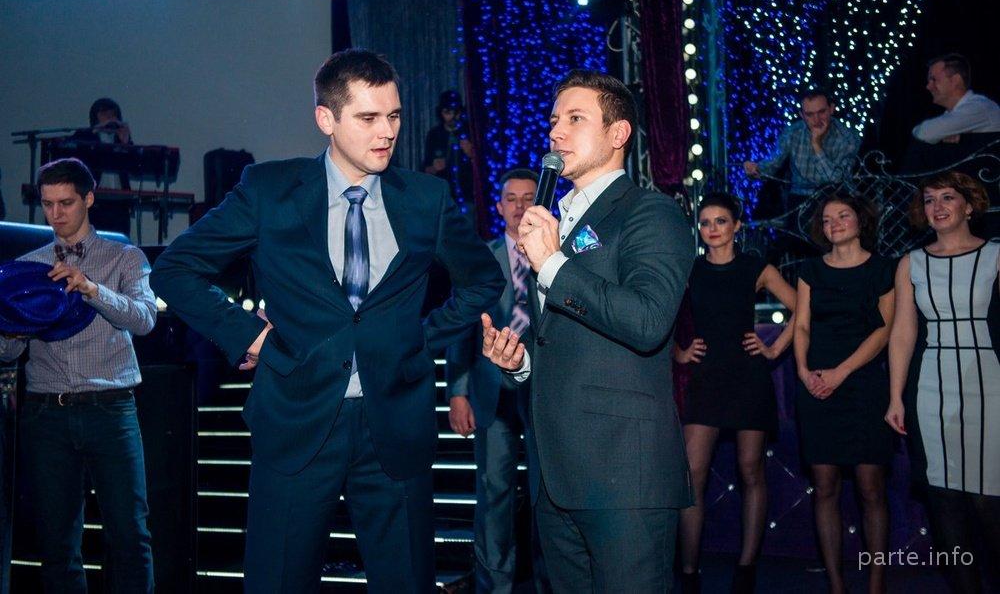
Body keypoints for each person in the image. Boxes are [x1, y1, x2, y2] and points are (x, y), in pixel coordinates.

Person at [149, 49, 505, 594]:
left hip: (395, 425)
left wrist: (421, 337)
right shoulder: (269, 190)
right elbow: (174, 270)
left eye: (394, 115)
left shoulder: (426, 199)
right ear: (326, 119)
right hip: (296, 418)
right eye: (368, 117)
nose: (387, 131)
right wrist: (250, 335)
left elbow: (483, 281)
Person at [480, 70, 693, 592]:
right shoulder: (557, 221)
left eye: (575, 119)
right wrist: (521, 361)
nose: (556, 131)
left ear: (618, 134)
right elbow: (565, 336)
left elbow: (647, 322)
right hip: (556, 475)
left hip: (625, 476)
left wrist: (552, 264)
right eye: (555, 119)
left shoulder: (651, 213)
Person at [0, 157, 157, 592]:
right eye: (48, 204)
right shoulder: (28, 266)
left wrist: (91, 288)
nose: (56, 214)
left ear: (88, 199)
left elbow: (144, 319)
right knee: (56, 544)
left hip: (111, 410)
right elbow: (10, 353)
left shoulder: (124, 257)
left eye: (66, 203)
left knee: (129, 536)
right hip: (47, 413)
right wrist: (11, 331)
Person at [675, 192, 797, 594]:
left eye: (721, 221)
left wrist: (774, 348)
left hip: (748, 377)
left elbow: (802, 307)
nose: (712, 229)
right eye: (705, 223)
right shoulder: (690, 269)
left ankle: (746, 569)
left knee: (751, 471)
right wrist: (678, 352)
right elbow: (660, 313)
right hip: (706, 377)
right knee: (692, 474)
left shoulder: (756, 268)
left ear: (737, 226)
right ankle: (689, 573)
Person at [886, 171, 999, 593]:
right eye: (930, 199)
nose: (937, 206)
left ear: (969, 206)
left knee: (988, 500)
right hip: (931, 388)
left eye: (948, 197)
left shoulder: (996, 255)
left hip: (990, 384)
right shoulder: (910, 263)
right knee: (944, 499)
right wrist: (895, 397)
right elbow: (902, 333)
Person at [446, 168, 547, 594]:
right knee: (494, 493)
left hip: (545, 389)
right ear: (500, 206)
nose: (520, 206)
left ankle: (550, 583)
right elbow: (460, 328)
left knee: (549, 494)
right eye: (512, 198)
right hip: (492, 391)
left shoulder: (557, 253)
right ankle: (495, 587)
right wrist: (458, 393)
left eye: (528, 198)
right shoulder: (480, 259)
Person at [793, 193, 895, 594]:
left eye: (843, 215)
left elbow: (884, 331)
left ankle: (876, 583)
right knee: (824, 487)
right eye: (827, 218)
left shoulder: (884, 269)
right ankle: (836, 584)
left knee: (871, 487)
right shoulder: (810, 270)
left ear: (860, 220)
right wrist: (803, 372)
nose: (834, 223)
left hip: (864, 384)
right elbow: (801, 325)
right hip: (817, 384)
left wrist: (842, 372)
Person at [744, 89, 860, 212]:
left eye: (821, 112)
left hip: (837, 197)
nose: (816, 120)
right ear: (802, 115)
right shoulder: (793, 133)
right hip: (801, 198)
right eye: (809, 114)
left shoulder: (848, 137)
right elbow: (773, 163)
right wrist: (756, 169)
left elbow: (836, 181)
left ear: (831, 109)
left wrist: (816, 145)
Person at [912, 54, 1000, 144]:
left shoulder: (980, 107)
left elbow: (925, 133)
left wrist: (940, 133)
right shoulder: (955, 114)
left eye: (934, 79)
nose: (928, 87)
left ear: (955, 80)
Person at [423, 90, 476, 216]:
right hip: (442, 200)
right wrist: (434, 168)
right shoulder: (434, 135)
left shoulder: (470, 133)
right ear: (441, 113)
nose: (452, 117)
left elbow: (485, 169)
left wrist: (472, 154)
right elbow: (425, 170)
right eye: (447, 112)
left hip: (468, 197)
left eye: (456, 112)